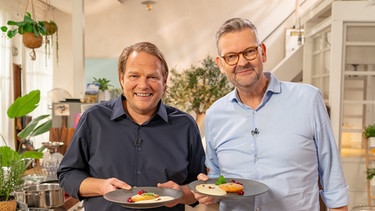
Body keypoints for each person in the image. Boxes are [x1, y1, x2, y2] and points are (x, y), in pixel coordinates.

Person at [193, 18, 349, 211]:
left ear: (263, 52)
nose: (242, 62)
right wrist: (208, 191)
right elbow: (217, 178)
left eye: (249, 52)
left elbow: (333, 180)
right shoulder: (215, 114)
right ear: (221, 64)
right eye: (231, 56)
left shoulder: (308, 100)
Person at [57, 41, 206, 211]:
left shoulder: (186, 125)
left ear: (164, 80)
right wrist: (101, 186)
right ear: (122, 78)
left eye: (152, 77)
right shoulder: (93, 119)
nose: (143, 85)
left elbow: (197, 186)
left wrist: (181, 193)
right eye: (134, 76)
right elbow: (67, 175)